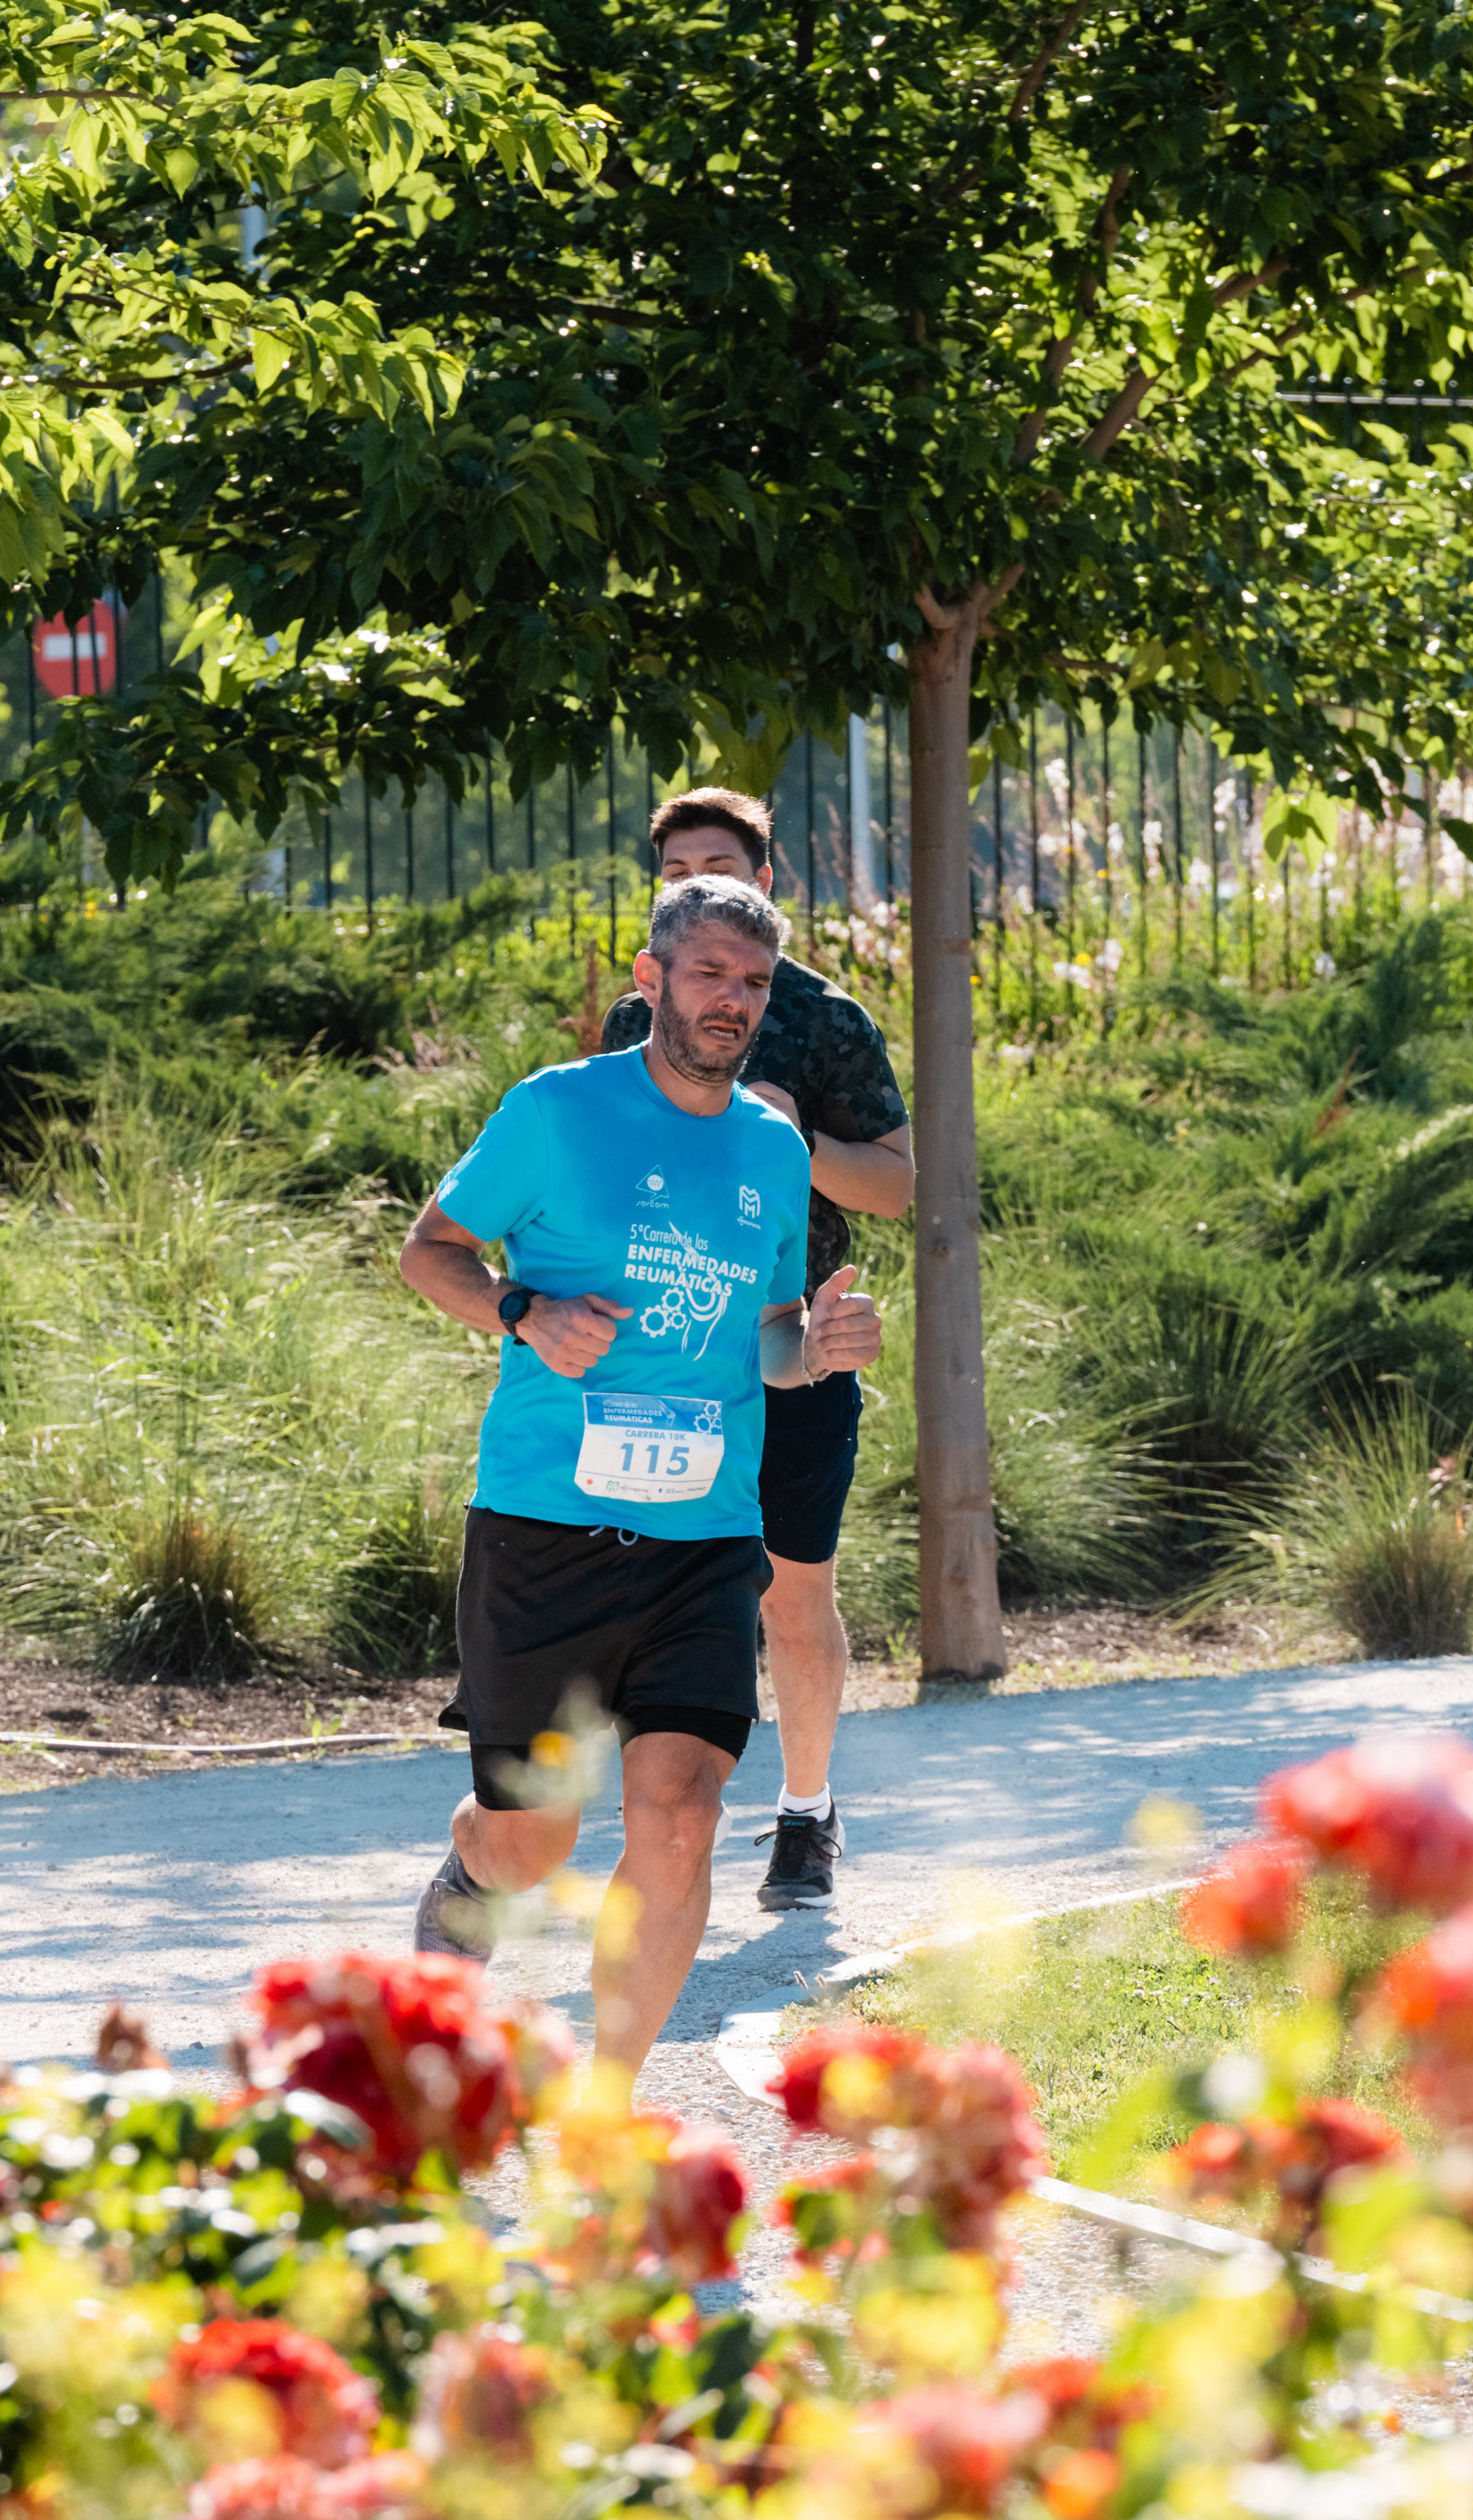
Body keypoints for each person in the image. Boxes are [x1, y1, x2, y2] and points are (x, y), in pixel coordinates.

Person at [398, 873, 886, 2089]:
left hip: (704, 1534)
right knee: (530, 1840)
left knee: (680, 1814)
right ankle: (470, 1870)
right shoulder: (554, 1111)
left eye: (754, 982)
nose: (732, 999)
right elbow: (430, 1250)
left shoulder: (772, 1147)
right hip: (544, 1525)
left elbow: (770, 1338)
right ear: (650, 976)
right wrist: (523, 1310)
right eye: (709, 971)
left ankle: (605, 2110)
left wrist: (817, 1347)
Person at [598, 787, 913, 1910]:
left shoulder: (821, 1016)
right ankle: (668, 1814)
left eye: (718, 867)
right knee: (655, 1593)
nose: (696, 885)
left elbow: (896, 1184)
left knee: (789, 1594)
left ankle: (805, 1810)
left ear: (766, 878)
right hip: (670, 1353)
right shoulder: (636, 1015)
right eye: (675, 872)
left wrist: (792, 1137)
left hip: (796, 1348)